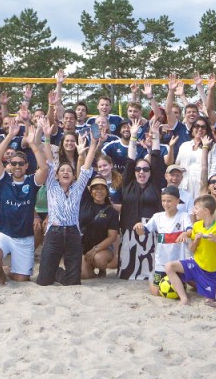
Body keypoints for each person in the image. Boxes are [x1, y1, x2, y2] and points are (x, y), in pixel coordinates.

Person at [32, 121, 98, 286]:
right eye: (62, 170)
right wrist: (47, 137)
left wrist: (94, 143)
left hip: (73, 234)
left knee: (74, 281)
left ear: (73, 175)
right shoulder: (52, 185)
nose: (66, 172)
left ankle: (60, 274)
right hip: (54, 233)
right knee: (43, 280)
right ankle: (53, 272)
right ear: (57, 175)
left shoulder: (78, 187)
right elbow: (49, 162)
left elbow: (86, 167)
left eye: (69, 170)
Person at [0, 119, 49, 283]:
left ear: (26, 165)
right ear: (10, 165)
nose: (17, 166)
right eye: (14, 163)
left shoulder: (31, 181)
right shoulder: (3, 179)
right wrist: (10, 136)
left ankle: (11, 270)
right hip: (4, 233)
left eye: (21, 163)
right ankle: (1, 276)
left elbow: (44, 169)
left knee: (22, 279)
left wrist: (32, 144)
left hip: (24, 236)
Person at [117, 117, 166, 280]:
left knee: (152, 275)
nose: (141, 172)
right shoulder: (127, 184)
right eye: (138, 169)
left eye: (145, 169)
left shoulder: (155, 184)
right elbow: (130, 160)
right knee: (128, 274)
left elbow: (157, 158)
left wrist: (156, 137)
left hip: (151, 233)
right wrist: (133, 137)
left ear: (150, 172)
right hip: (129, 233)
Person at [160, 195, 216, 305]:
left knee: (209, 301)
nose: (193, 211)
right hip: (195, 264)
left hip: (209, 272)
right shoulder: (196, 225)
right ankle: (184, 299)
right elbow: (192, 249)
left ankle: (211, 288)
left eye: (196, 208)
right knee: (169, 266)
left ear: (206, 211)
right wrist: (195, 240)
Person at [133, 186, 193, 297]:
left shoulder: (183, 216)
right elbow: (143, 232)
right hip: (161, 262)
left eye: (169, 201)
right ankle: (153, 277)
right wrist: (139, 228)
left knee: (181, 289)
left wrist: (185, 233)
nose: (166, 204)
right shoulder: (157, 217)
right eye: (163, 201)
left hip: (178, 262)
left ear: (177, 201)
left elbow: (190, 230)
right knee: (156, 293)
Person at [79, 176, 120, 279]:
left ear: (106, 191)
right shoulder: (85, 202)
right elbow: (81, 173)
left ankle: (102, 269)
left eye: (102, 188)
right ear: (91, 191)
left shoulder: (112, 212)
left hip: (102, 249)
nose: (99, 191)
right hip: (82, 246)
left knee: (99, 259)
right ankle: (90, 269)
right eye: (95, 188)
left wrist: (95, 249)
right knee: (84, 275)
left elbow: (112, 237)